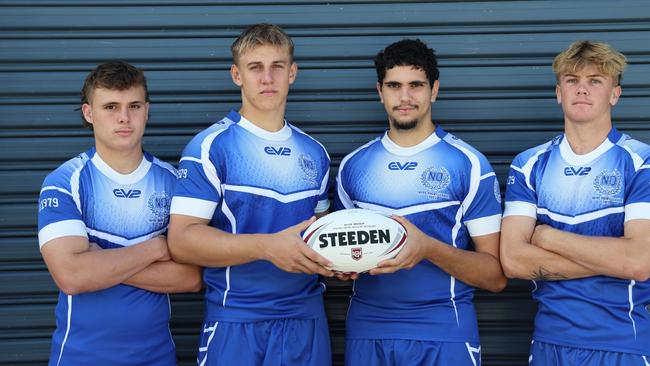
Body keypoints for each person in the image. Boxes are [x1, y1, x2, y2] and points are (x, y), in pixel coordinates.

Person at [167, 23, 333, 366]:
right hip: (237, 321)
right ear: (236, 75)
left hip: (306, 321)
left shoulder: (315, 153)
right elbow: (181, 241)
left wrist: (345, 260)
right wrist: (266, 247)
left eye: (277, 67)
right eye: (255, 67)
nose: (267, 78)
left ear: (293, 73)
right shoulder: (211, 147)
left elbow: (319, 234)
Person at [335, 39, 507, 366]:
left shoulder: (468, 164)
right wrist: (342, 265)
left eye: (416, 85)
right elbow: (343, 251)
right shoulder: (353, 166)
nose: (405, 97)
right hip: (368, 331)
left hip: (444, 330)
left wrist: (427, 248)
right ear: (379, 91)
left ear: (434, 90)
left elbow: (495, 275)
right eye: (394, 85)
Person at [37, 61, 202, 365]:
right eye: (110, 106)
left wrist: (100, 261)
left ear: (147, 110)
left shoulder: (173, 181)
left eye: (134, 105)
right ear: (89, 113)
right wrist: (154, 249)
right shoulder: (65, 181)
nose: (124, 118)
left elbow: (191, 277)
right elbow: (72, 276)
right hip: (80, 355)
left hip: (156, 356)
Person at [500, 40, 650, 365]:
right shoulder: (529, 164)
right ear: (559, 92)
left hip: (623, 343)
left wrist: (548, 237)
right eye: (572, 80)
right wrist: (611, 259)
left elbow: (638, 262)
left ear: (614, 94)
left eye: (594, 80)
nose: (582, 89)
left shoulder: (642, 162)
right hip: (549, 344)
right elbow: (512, 260)